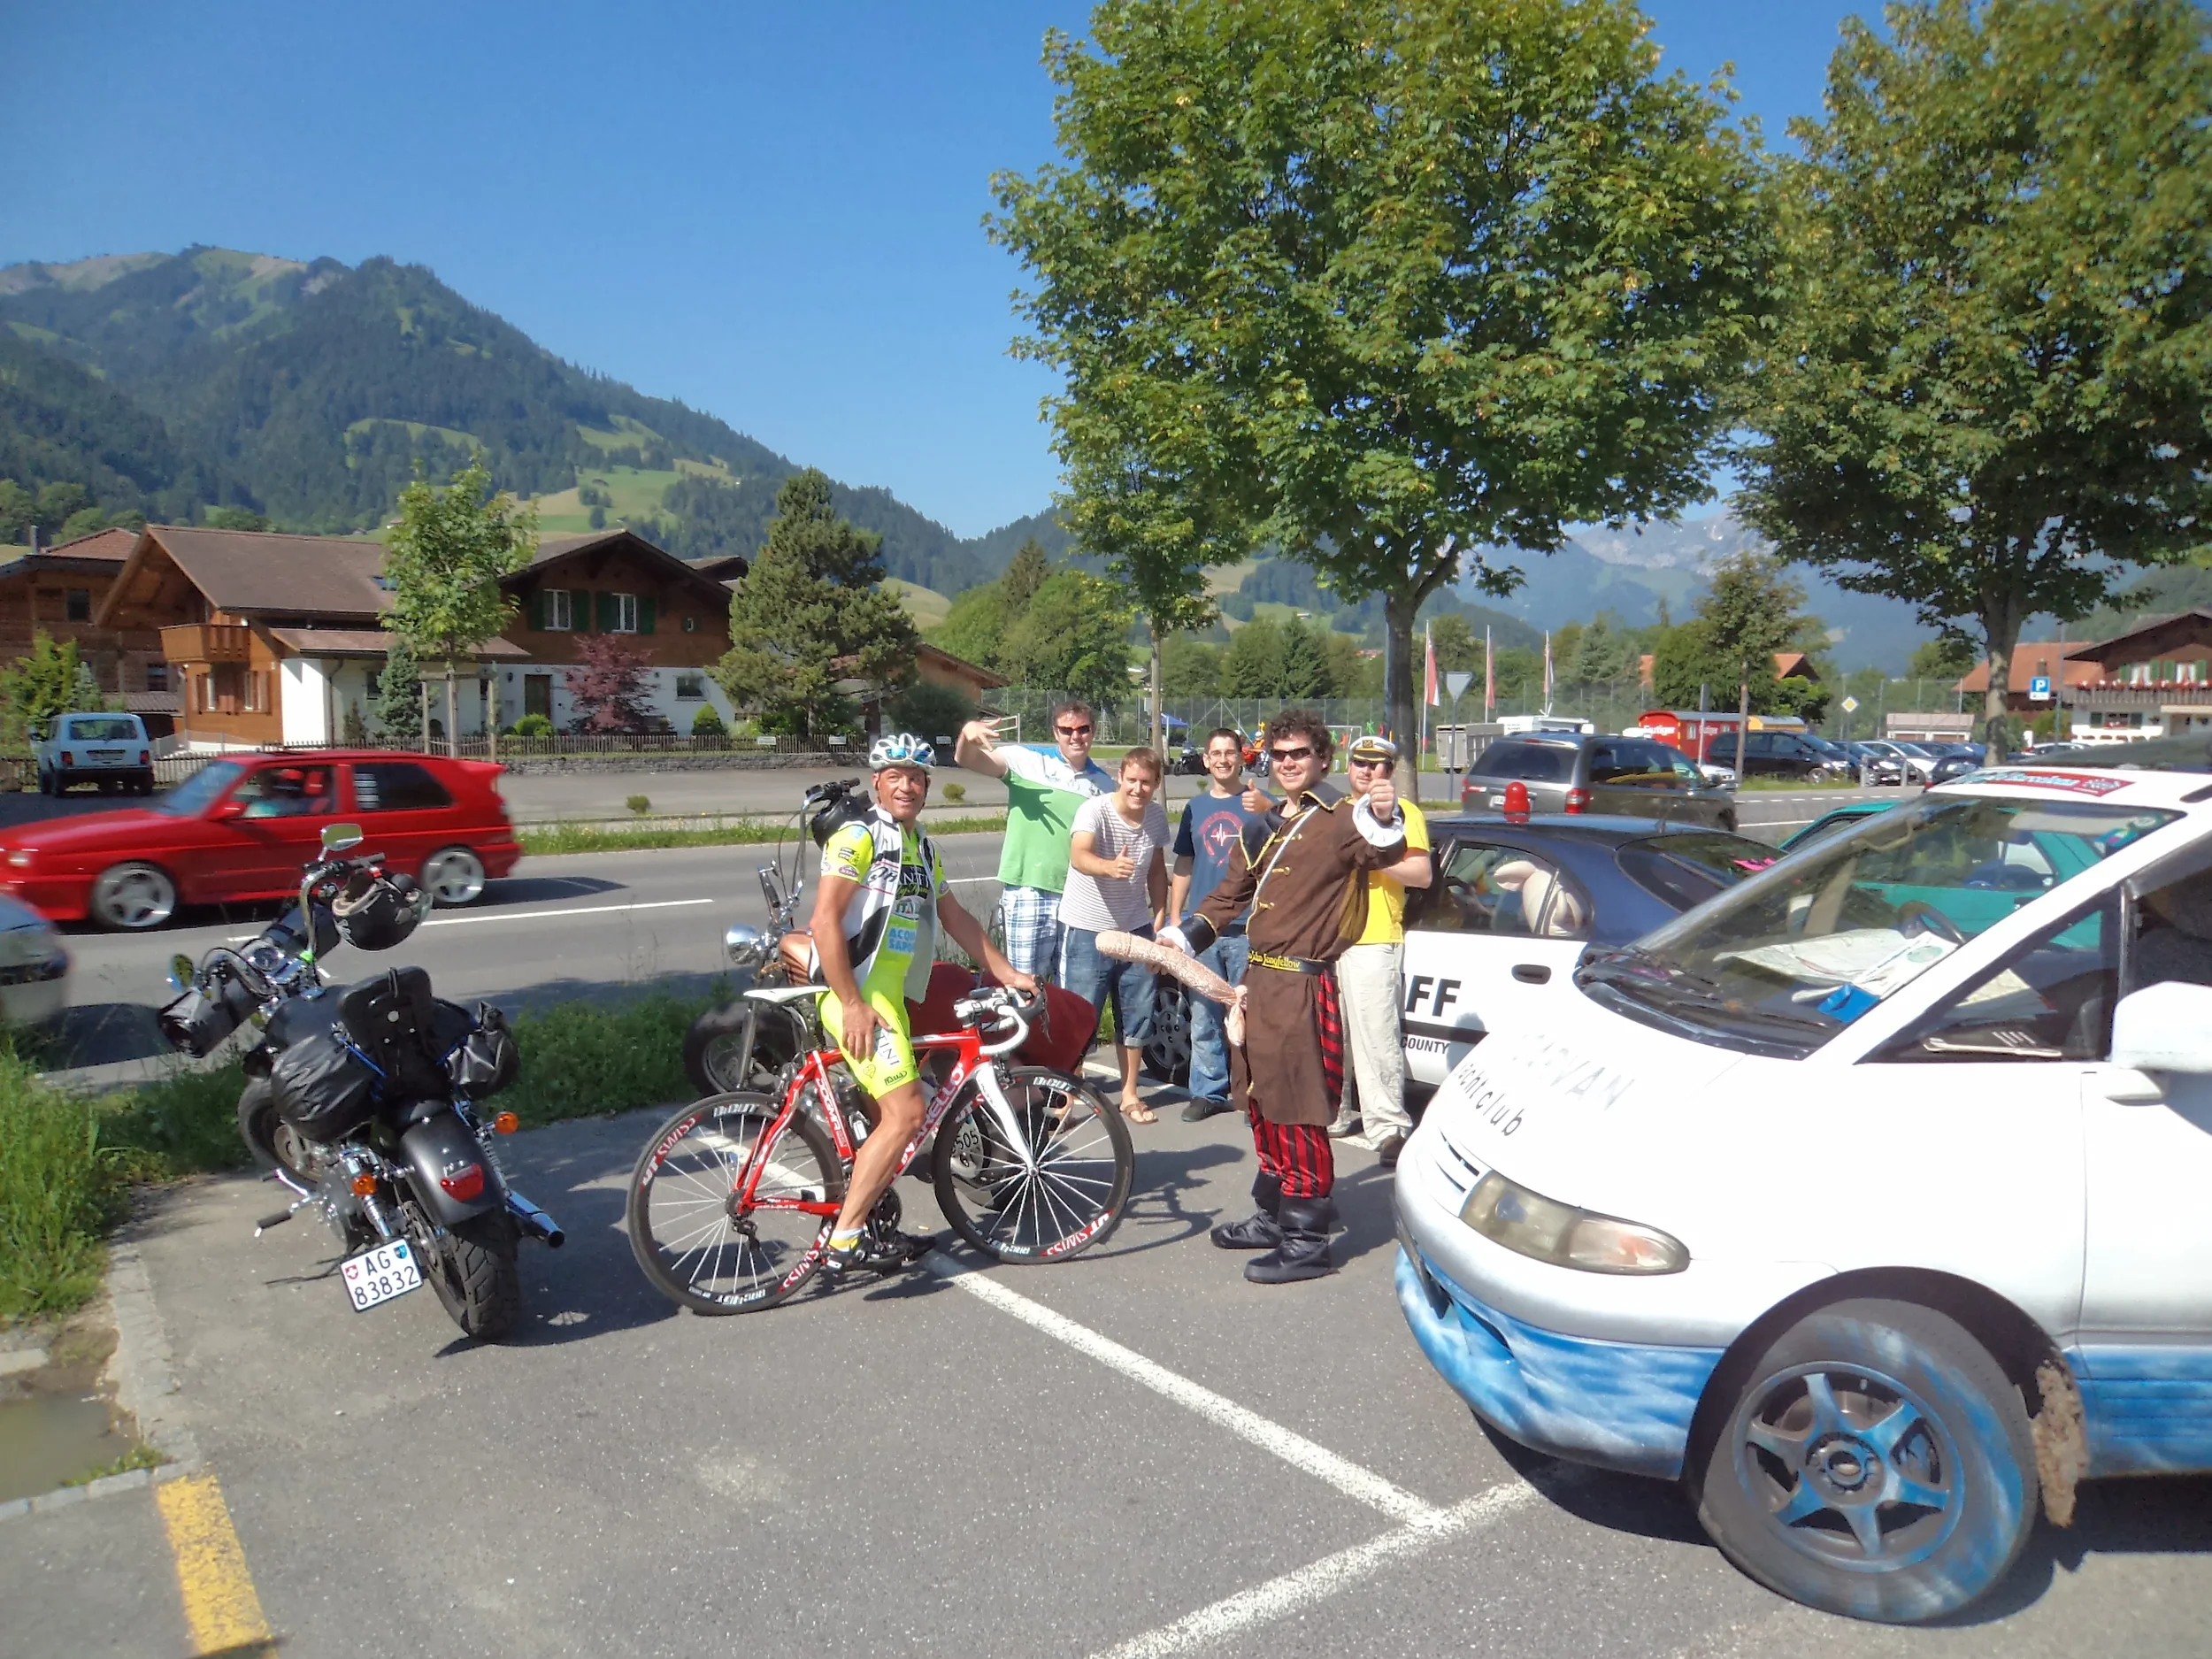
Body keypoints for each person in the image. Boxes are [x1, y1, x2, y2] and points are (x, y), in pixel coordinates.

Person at [1161, 710, 1407, 1285]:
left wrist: (1384, 810)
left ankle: (1307, 1238)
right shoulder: (1263, 824)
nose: (1289, 761)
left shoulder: (1344, 820)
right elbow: (1228, 896)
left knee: (1299, 1112)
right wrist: (1181, 935)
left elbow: (1383, 851)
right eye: (1280, 753)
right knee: (1262, 1103)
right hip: (1258, 981)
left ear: (1323, 760)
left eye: (1301, 753)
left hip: (1302, 983)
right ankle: (1275, 1213)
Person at [810, 733, 1034, 1277]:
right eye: (895, 777)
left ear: (927, 787)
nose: (906, 786)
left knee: (882, 1118)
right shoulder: (858, 836)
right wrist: (853, 1004)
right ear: (877, 784)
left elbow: (956, 918)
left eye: (916, 778)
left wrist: (1008, 973)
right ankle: (843, 1240)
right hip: (859, 997)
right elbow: (822, 923)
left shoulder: (920, 845)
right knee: (910, 1114)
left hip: (890, 998)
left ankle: (874, 1220)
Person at [1327, 735, 1432, 1166]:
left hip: (1373, 938)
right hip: (1326, 938)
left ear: (1389, 772)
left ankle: (1388, 1127)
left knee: (1375, 1038)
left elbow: (1421, 874)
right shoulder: (1333, 813)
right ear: (1347, 767)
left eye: (1377, 766)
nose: (1367, 772)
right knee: (1328, 1036)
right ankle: (1331, 1113)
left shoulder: (1405, 814)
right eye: (1360, 764)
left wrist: (1370, 857)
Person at [955, 700, 1114, 981]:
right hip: (1029, 892)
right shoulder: (1026, 760)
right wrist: (968, 733)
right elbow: (968, 760)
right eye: (1067, 730)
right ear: (1055, 733)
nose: (1075, 736)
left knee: (1069, 992)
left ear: (1094, 731)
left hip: (1078, 899)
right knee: (1026, 987)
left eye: (1083, 729)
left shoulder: (1105, 785)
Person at [1057, 748, 1171, 1122]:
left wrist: (1160, 916)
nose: (1139, 789)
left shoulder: (1155, 816)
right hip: (1088, 928)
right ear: (1120, 777)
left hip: (1135, 926)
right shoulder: (1095, 809)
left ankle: (1129, 1094)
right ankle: (1070, 1096)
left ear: (1156, 784)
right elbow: (1079, 854)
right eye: (1132, 780)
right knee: (1080, 1014)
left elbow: (1157, 868)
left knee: (1137, 1011)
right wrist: (1109, 867)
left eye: (1147, 782)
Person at [1169, 727, 1263, 1123]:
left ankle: (1254, 1094)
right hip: (1202, 930)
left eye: (1230, 753)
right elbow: (1185, 864)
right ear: (1205, 761)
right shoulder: (1195, 808)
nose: (1223, 759)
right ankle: (1208, 1091)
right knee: (1204, 1013)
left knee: (1251, 1014)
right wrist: (1176, 918)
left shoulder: (1258, 803)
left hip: (1247, 927)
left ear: (1241, 758)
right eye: (1215, 754)